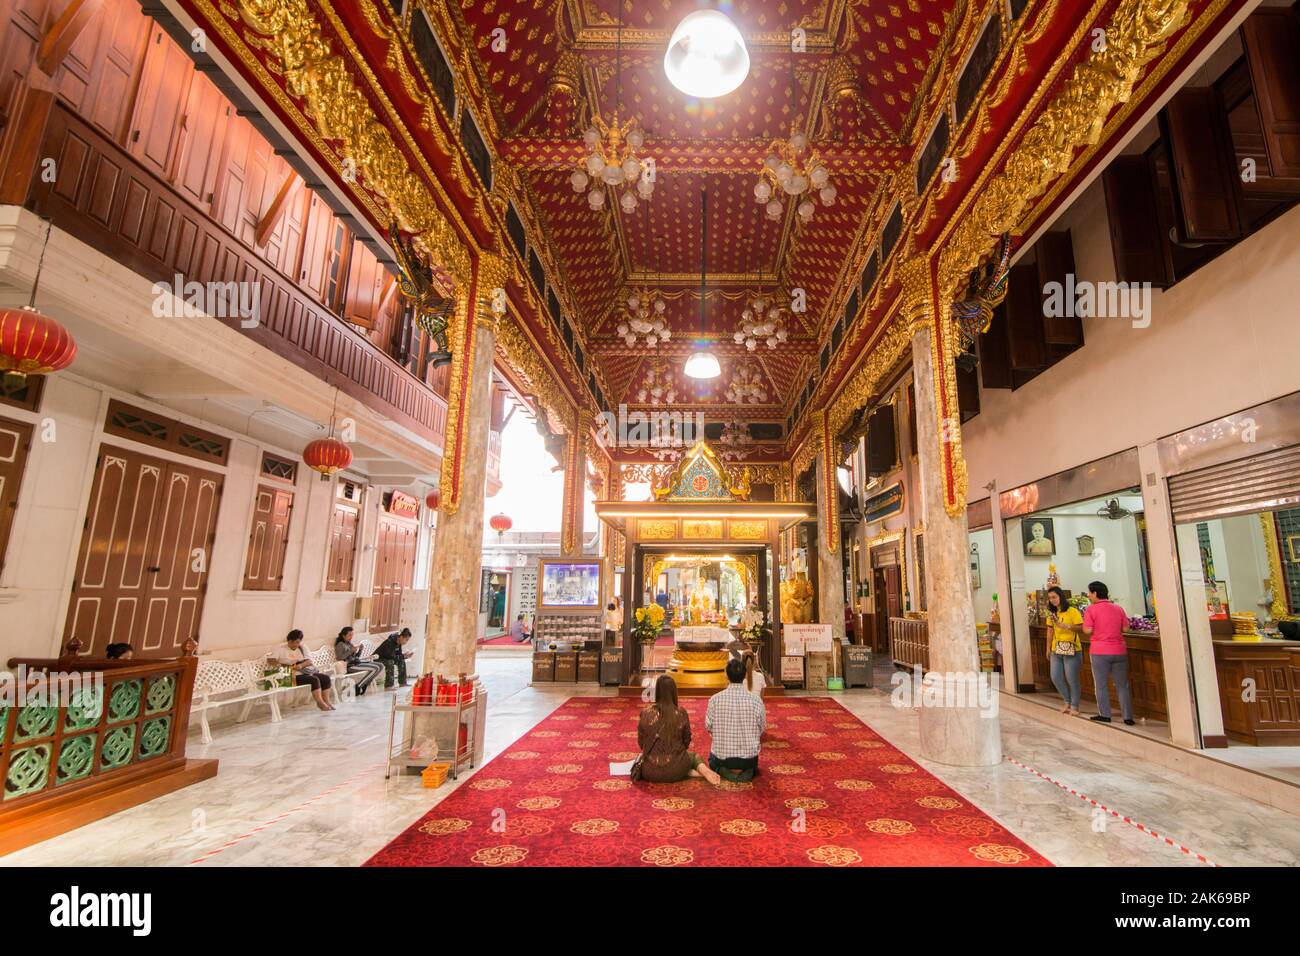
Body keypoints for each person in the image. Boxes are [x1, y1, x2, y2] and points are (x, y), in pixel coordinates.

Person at [635, 675, 721, 785]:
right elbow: (686, 742)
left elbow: (641, 743)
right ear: (673, 692)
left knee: (644, 757)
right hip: (677, 769)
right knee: (693, 756)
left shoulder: (645, 713)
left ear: (657, 691)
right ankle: (702, 771)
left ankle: (689, 771)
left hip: (650, 772)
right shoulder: (681, 713)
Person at [704, 657, 766, 782]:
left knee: (712, 759)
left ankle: (726, 771)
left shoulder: (715, 700)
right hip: (748, 760)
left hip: (722, 759)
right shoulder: (756, 701)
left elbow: (708, 727)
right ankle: (745, 771)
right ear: (744, 676)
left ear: (726, 676)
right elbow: (762, 728)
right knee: (749, 763)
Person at [1082, 580, 1134, 725]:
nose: (1088, 595)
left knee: (1101, 684)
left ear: (1095, 593)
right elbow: (1126, 629)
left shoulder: (1091, 610)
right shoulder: (1118, 608)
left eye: (1090, 593)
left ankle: (1105, 715)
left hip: (1100, 651)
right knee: (1122, 685)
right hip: (1119, 651)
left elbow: (1087, 630)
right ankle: (1128, 717)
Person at [268, 629, 334, 711]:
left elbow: (309, 661)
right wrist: (283, 665)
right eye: (296, 642)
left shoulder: (301, 648)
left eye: (299, 642)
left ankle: (327, 701)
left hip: (303, 672)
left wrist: (300, 665)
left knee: (325, 678)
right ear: (289, 641)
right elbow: (270, 660)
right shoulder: (280, 648)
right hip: (288, 676)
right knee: (314, 680)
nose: (297, 644)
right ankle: (320, 703)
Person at [1044, 586, 1083, 715]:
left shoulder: (1072, 611)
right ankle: (1067, 701)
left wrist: (1066, 626)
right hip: (1056, 649)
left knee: (1072, 678)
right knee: (1055, 677)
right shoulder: (1051, 613)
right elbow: (1050, 631)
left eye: (1054, 597)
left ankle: (1075, 706)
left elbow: (1081, 628)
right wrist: (1048, 648)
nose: (1052, 600)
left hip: (1072, 649)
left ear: (1061, 596)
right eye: (1050, 598)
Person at [334, 626, 381, 696]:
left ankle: (363, 684)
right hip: (350, 666)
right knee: (375, 668)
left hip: (357, 663)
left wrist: (360, 650)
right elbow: (339, 658)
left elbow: (356, 657)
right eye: (349, 635)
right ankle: (359, 686)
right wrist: (350, 651)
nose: (351, 637)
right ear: (343, 636)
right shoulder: (340, 644)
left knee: (380, 665)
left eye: (352, 635)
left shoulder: (349, 644)